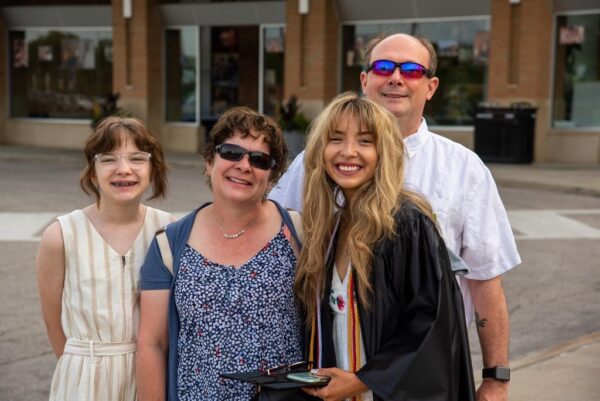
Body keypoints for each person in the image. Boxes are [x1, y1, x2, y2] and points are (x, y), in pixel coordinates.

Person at [269, 33, 520, 401]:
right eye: (384, 66)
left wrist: (496, 379)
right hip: (330, 372)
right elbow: (270, 234)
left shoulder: (456, 176)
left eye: (412, 70)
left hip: (411, 381)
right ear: (364, 79)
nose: (396, 78)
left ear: (431, 86)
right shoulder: (315, 172)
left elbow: (481, 284)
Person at [295, 92, 475, 401]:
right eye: (335, 139)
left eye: (365, 141)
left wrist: (363, 381)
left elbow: (431, 325)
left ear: (384, 153)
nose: (348, 152)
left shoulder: (406, 224)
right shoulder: (331, 227)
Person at [136, 107, 304, 401]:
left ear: (272, 177)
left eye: (259, 159)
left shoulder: (299, 233)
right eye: (231, 152)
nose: (244, 165)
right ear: (208, 162)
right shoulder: (169, 245)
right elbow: (152, 344)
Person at [36, 116, 172, 401]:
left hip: (148, 376)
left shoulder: (168, 232)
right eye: (108, 159)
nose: (123, 169)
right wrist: (81, 369)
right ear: (93, 171)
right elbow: (53, 324)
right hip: (84, 378)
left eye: (137, 158)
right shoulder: (61, 235)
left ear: (152, 169)